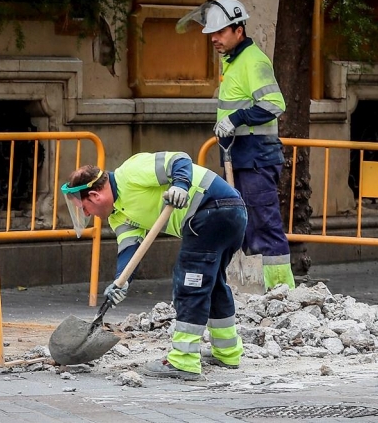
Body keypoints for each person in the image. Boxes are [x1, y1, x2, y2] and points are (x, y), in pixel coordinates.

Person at [63, 152, 247, 380]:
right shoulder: (118, 216)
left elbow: (179, 160)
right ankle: (227, 351)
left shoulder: (130, 172)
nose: (87, 214)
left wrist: (180, 185)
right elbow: (130, 251)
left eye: (85, 208)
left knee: (189, 285)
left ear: (94, 195)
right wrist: (121, 281)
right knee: (213, 284)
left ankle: (184, 361)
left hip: (213, 209)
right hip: (227, 215)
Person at [198, 0, 296, 290]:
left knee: (263, 223)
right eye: (211, 33)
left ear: (239, 29)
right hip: (239, 156)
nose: (214, 38)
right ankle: (254, 289)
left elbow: (274, 104)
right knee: (244, 224)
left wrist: (237, 118)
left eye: (220, 32)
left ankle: (282, 292)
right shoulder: (232, 62)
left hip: (256, 158)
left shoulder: (253, 61)